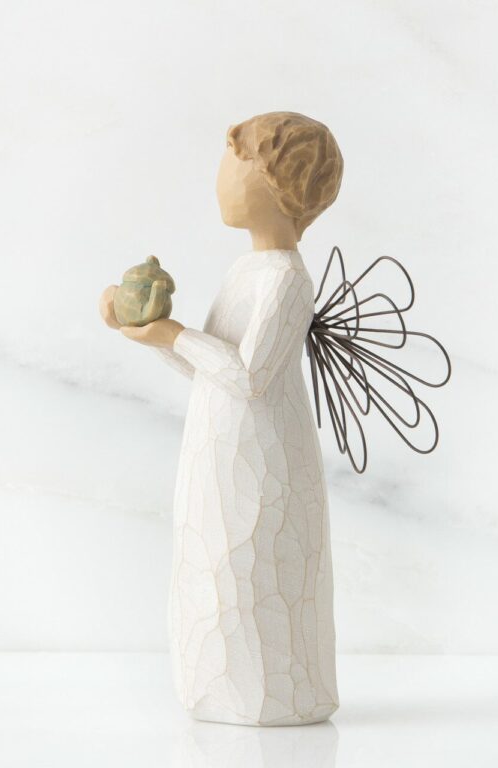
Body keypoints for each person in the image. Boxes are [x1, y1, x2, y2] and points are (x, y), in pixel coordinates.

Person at [99, 112, 344, 725]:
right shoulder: (245, 271)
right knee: (213, 571)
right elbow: (208, 368)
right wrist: (149, 333)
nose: (221, 177)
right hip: (215, 452)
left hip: (265, 463)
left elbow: (251, 377)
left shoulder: (287, 279)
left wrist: (172, 333)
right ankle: (214, 687)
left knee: (260, 574)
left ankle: (281, 695)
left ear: (281, 183)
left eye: (237, 163)